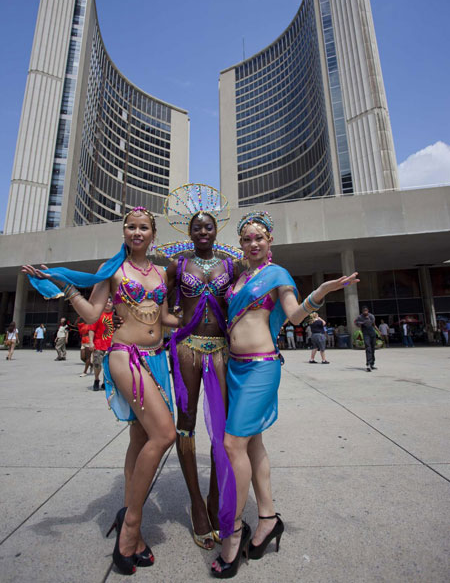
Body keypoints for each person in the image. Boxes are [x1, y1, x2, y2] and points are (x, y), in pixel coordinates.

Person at [22, 206, 178, 575]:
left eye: (143, 227)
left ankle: (128, 514)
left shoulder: (161, 273)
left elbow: (166, 318)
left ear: (153, 234)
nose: (137, 232)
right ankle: (131, 527)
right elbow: (93, 315)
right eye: (131, 227)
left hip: (158, 359)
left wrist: (206, 314)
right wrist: (66, 286)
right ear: (123, 232)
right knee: (165, 434)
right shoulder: (112, 271)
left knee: (140, 439)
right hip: (126, 356)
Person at [211, 211, 359, 578]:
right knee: (252, 444)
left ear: (270, 241)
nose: (253, 243)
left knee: (233, 445)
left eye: (259, 237)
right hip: (234, 368)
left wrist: (321, 293)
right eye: (246, 238)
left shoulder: (277, 275)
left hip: (261, 367)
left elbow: (293, 316)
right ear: (241, 244)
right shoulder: (238, 276)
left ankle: (233, 533)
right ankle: (267, 518)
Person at [160, 183, 241, 549]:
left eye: (209, 227)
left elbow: (243, 302)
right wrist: (172, 325)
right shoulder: (177, 265)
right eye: (197, 227)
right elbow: (162, 306)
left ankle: (214, 498)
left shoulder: (231, 265)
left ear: (215, 230)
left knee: (221, 427)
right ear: (189, 232)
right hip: (188, 349)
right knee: (187, 422)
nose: (203, 232)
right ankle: (196, 503)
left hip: (222, 349)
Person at [88, 299, 113, 391]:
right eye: (106, 301)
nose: (108, 303)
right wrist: (91, 342)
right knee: (97, 363)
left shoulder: (116, 316)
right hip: (99, 345)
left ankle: (105, 382)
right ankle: (96, 379)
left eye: (110, 302)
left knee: (109, 366)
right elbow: (91, 330)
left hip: (111, 346)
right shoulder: (98, 316)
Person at [355, 307, 378, 371]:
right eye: (364, 311)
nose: (365, 312)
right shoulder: (360, 317)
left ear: (368, 311)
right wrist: (362, 323)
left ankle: (372, 364)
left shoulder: (371, 316)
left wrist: (378, 331)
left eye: (366, 311)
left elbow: (373, 324)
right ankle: (368, 364)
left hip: (372, 333)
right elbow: (356, 323)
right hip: (365, 333)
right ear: (362, 311)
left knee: (373, 348)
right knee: (368, 348)